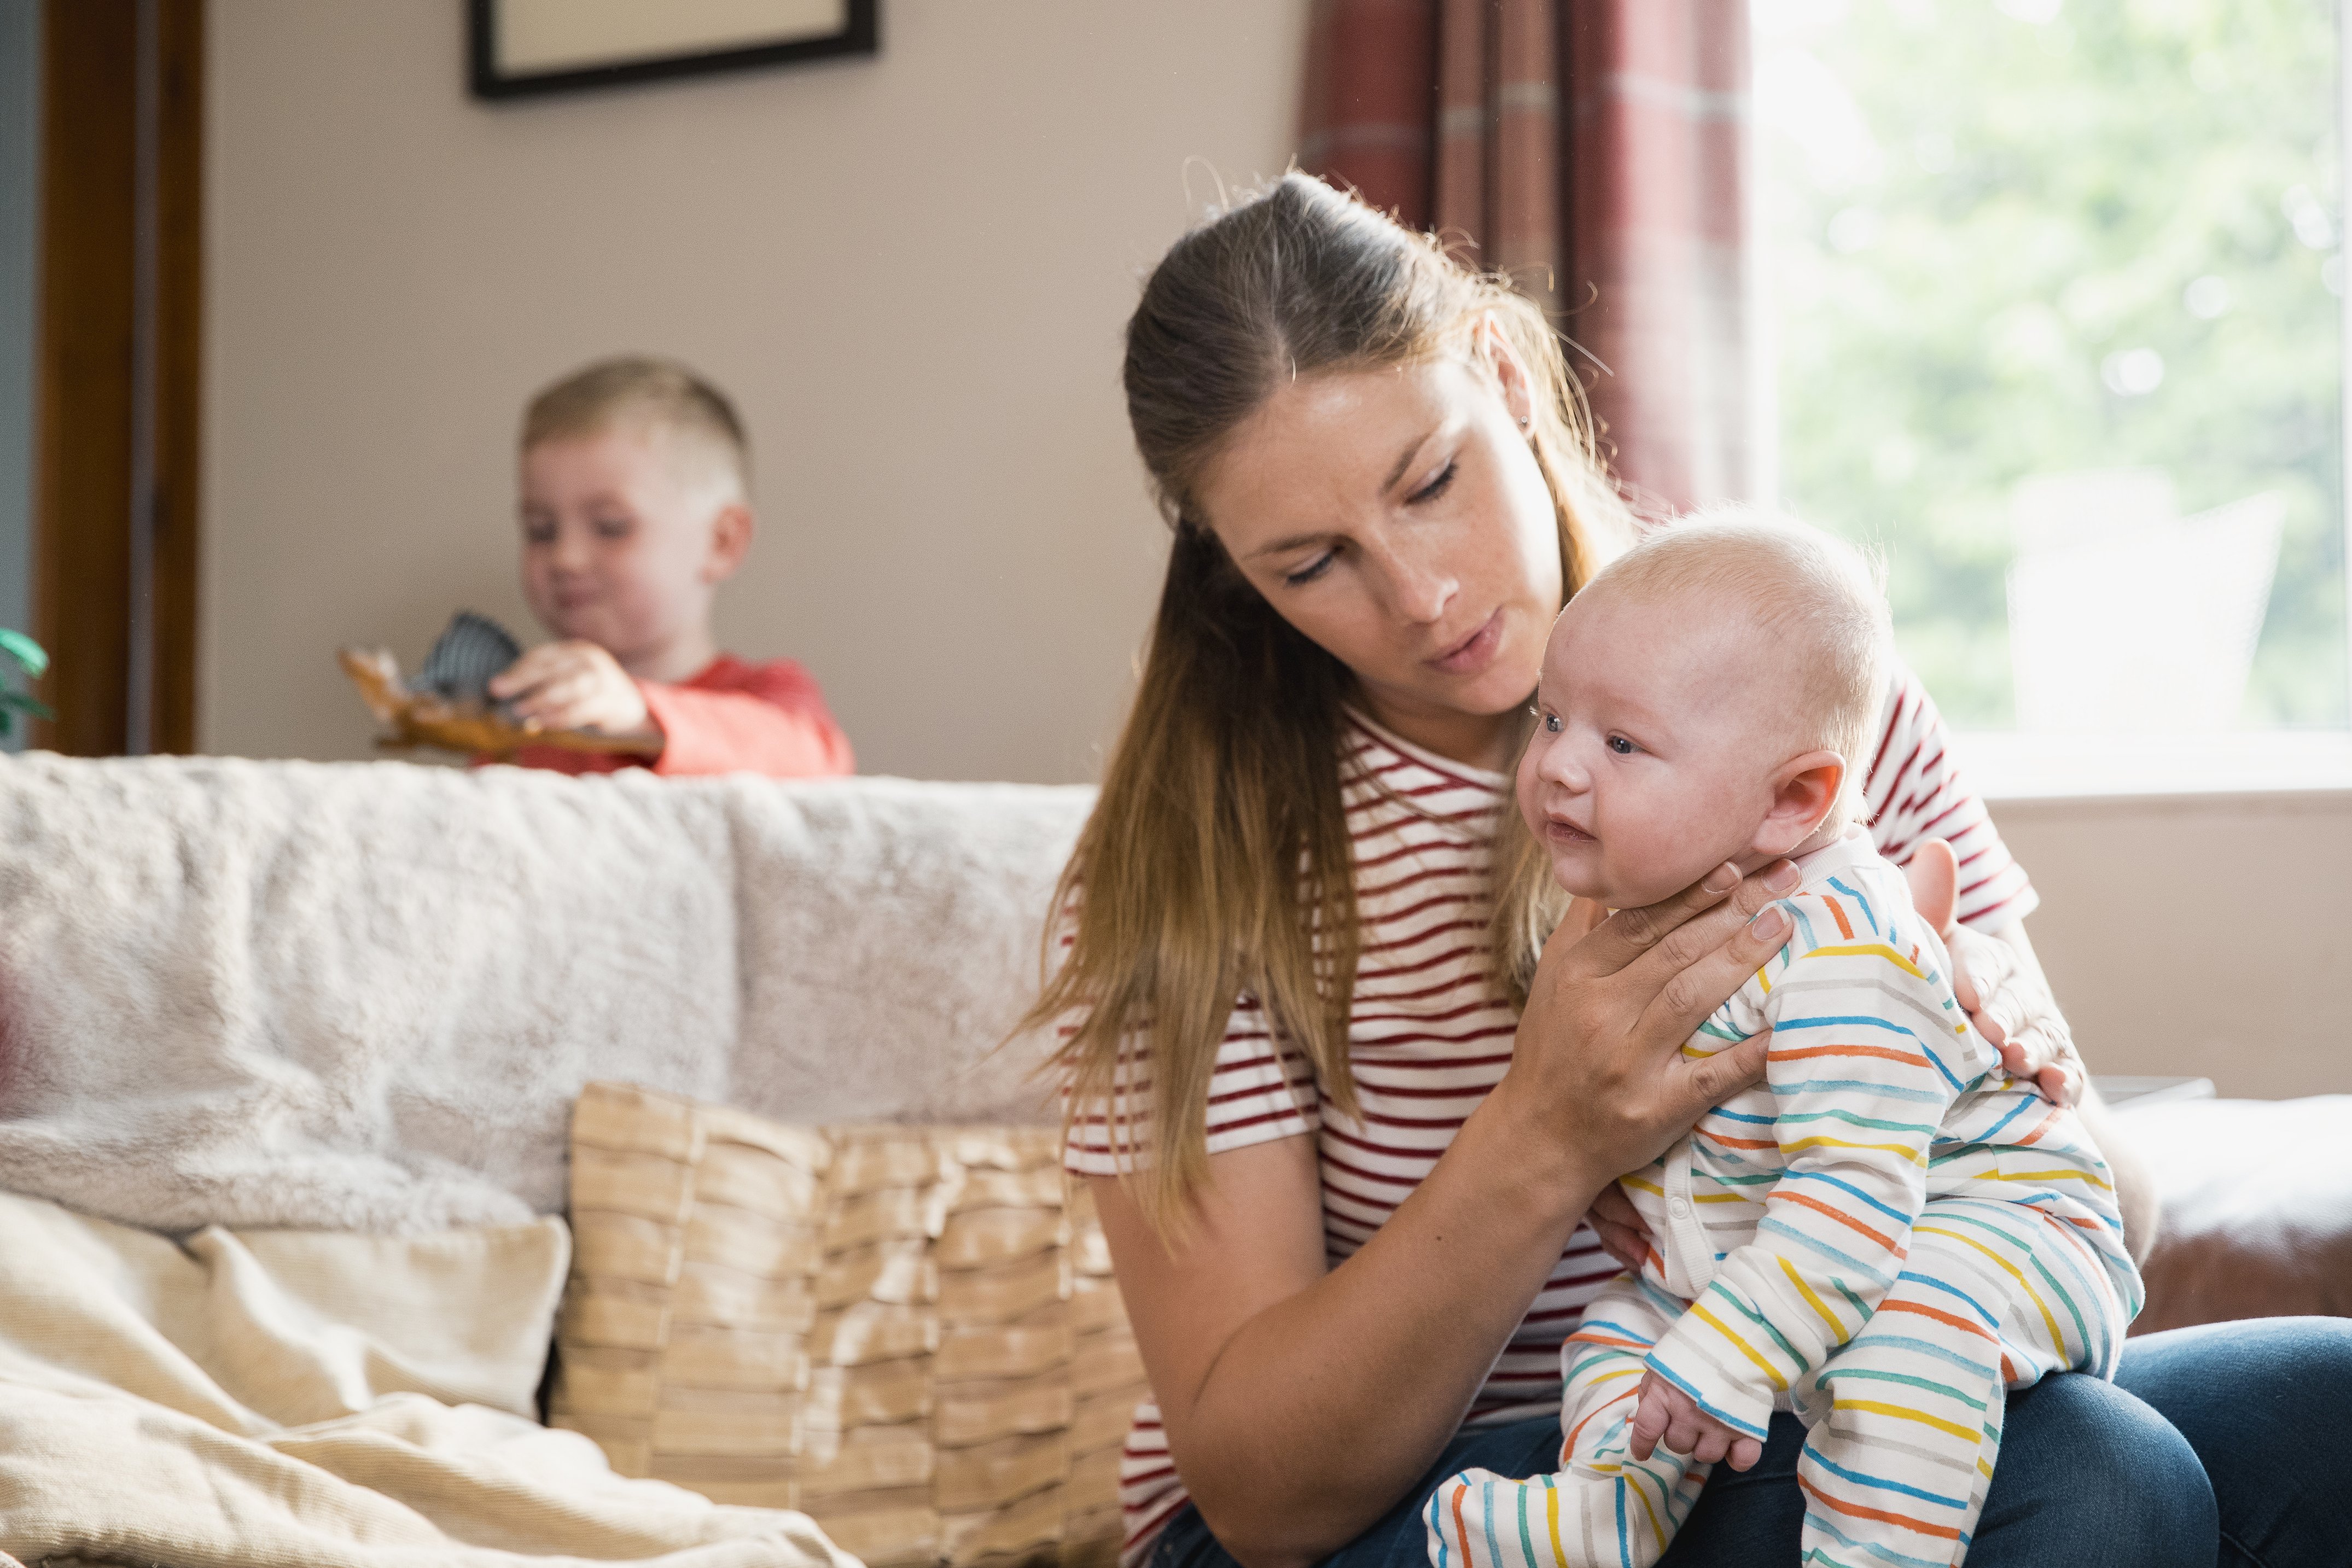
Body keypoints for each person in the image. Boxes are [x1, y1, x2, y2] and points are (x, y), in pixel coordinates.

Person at [1029, 172, 2352, 1568]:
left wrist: (1974, 1064)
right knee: (2095, 1480)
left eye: (1430, 480)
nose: (1418, 594)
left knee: (2325, 1402)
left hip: (1791, 1390)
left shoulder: (1798, 695)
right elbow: (1259, 1494)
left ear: (1501, 376)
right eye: (1312, 563)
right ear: (1235, 573)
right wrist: (1547, 1131)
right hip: (1401, 1497)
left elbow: (2101, 1207)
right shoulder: (1195, 875)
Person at [1428, 512, 2138, 1568]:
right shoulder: (1650, 904)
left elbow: (1855, 1198)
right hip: (1791, 1266)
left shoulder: (1847, 946)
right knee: (1619, 1330)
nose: (1560, 768)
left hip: (1989, 1232)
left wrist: (1731, 1351)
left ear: (1794, 799)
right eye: (1552, 719)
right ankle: (1606, 1507)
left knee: (1910, 1347)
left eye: (1620, 743)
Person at [483, 356, 854, 778]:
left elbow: (817, 760)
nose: (566, 557)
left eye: (611, 527)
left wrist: (640, 713)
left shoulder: (770, 697)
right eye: (541, 530)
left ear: (722, 542)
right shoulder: (517, 727)